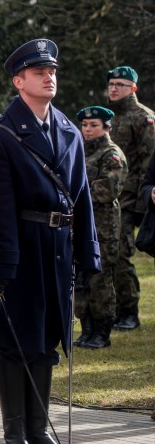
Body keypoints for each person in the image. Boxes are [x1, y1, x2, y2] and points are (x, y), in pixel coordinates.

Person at [0, 38, 99, 444]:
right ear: (18, 80)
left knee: (47, 340)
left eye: (53, 71)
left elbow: (80, 196)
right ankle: (15, 436)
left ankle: (39, 430)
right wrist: (1, 263)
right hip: (21, 246)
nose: (50, 77)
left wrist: (88, 253)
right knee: (14, 342)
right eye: (39, 72)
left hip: (58, 248)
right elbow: (0, 207)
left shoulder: (67, 128)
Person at [73, 106, 125, 350]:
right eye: (85, 125)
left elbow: (109, 189)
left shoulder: (112, 154)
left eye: (93, 125)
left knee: (101, 281)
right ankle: (87, 329)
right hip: (81, 226)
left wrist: (77, 193)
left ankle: (102, 332)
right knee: (82, 279)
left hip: (103, 230)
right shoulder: (79, 152)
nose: (88, 129)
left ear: (106, 127)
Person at [106, 66, 154, 331]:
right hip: (110, 200)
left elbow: (150, 165)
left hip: (131, 201)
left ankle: (130, 311)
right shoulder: (109, 118)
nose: (114, 88)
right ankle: (113, 310)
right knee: (108, 254)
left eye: (120, 84)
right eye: (111, 83)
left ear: (133, 88)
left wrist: (142, 206)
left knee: (122, 255)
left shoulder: (143, 118)